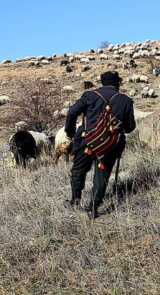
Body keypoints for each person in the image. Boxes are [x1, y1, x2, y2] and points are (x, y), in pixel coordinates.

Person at [64, 71, 136, 218]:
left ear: (102, 83)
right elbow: (130, 127)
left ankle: (75, 201)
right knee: (102, 174)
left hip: (86, 141)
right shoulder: (125, 100)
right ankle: (93, 208)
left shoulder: (90, 96)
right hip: (110, 144)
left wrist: (70, 132)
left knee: (78, 170)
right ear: (117, 83)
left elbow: (72, 113)